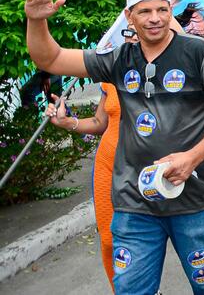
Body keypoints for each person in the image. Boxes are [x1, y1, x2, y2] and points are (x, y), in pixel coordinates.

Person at [26, 0, 204, 294]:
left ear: (171, 11)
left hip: (193, 198)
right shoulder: (120, 59)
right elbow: (50, 59)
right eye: (145, 11)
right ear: (129, 16)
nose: (155, 18)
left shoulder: (200, 53)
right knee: (131, 289)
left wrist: (192, 157)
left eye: (161, 9)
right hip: (134, 201)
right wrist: (36, 21)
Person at [47, 81, 121, 289]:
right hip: (109, 166)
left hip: (152, 171)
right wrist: (67, 122)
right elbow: (100, 121)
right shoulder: (113, 66)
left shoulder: (174, 63)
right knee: (109, 242)